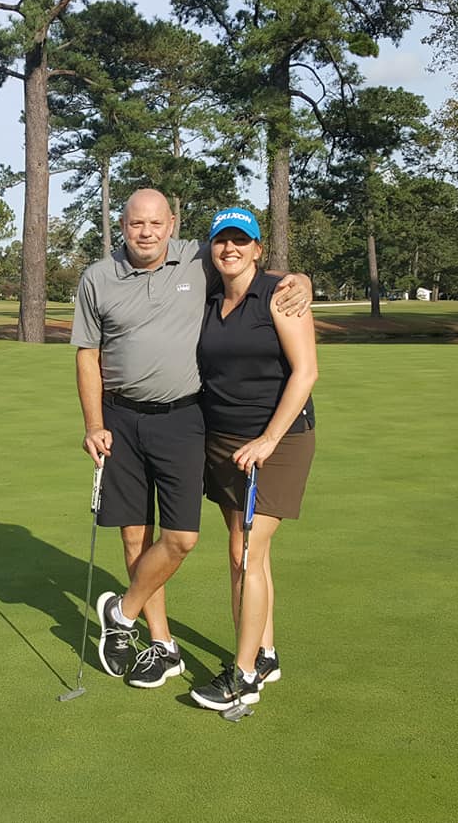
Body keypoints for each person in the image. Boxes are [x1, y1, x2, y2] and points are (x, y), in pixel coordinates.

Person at [71, 189, 311, 689]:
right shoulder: (98, 277)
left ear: (173, 224)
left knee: (183, 538)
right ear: (122, 224)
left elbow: (250, 267)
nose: (147, 232)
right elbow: (87, 355)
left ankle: (122, 611)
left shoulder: (195, 261)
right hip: (120, 418)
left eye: (157, 223)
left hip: (186, 420)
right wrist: (94, 423)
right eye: (137, 223)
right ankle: (163, 646)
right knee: (136, 535)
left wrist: (301, 279)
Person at [189, 207, 317, 711]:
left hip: (278, 441)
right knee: (244, 553)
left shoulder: (282, 295)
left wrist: (267, 439)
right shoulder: (209, 295)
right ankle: (265, 652)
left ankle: (243, 676)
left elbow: (305, 373)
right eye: (222, 240)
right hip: (223, 440)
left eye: (242, 241)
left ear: (258, 248)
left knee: (247, 552)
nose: (230, 249)